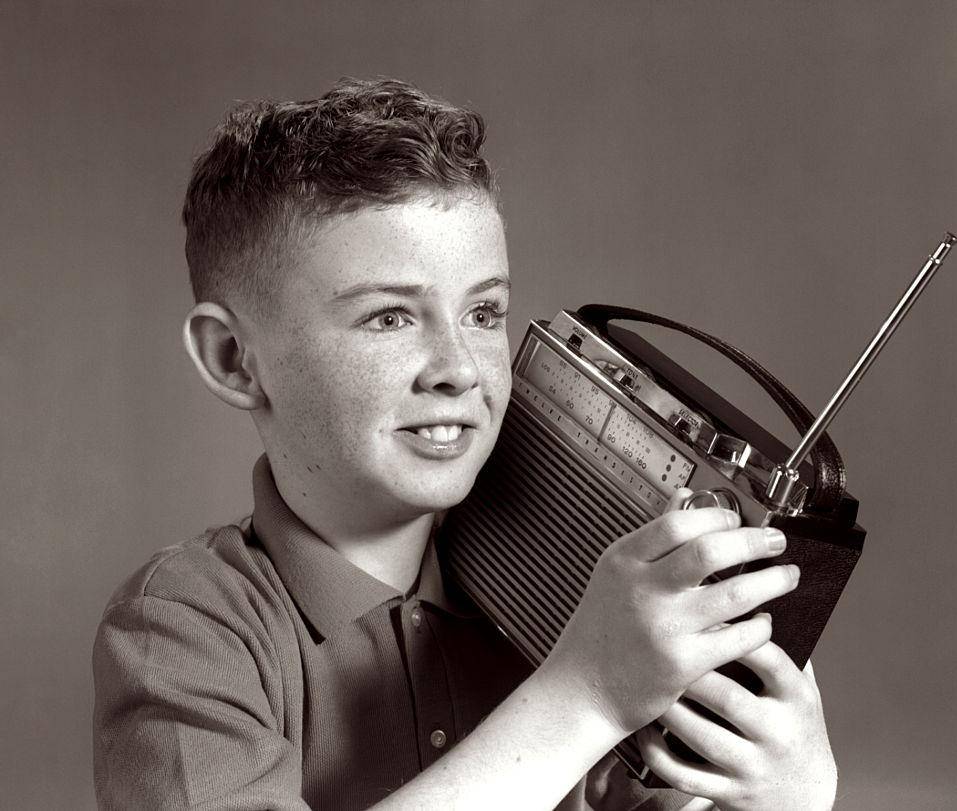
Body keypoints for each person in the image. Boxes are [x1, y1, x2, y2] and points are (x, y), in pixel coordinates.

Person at [92, 78, 837, 811]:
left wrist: (789, 797)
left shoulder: (575, 591)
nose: (459, 369)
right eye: (388, 318)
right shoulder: (182, 628)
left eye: (484, 312)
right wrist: (585, 692)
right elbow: (582, 695)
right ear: (234, 358)